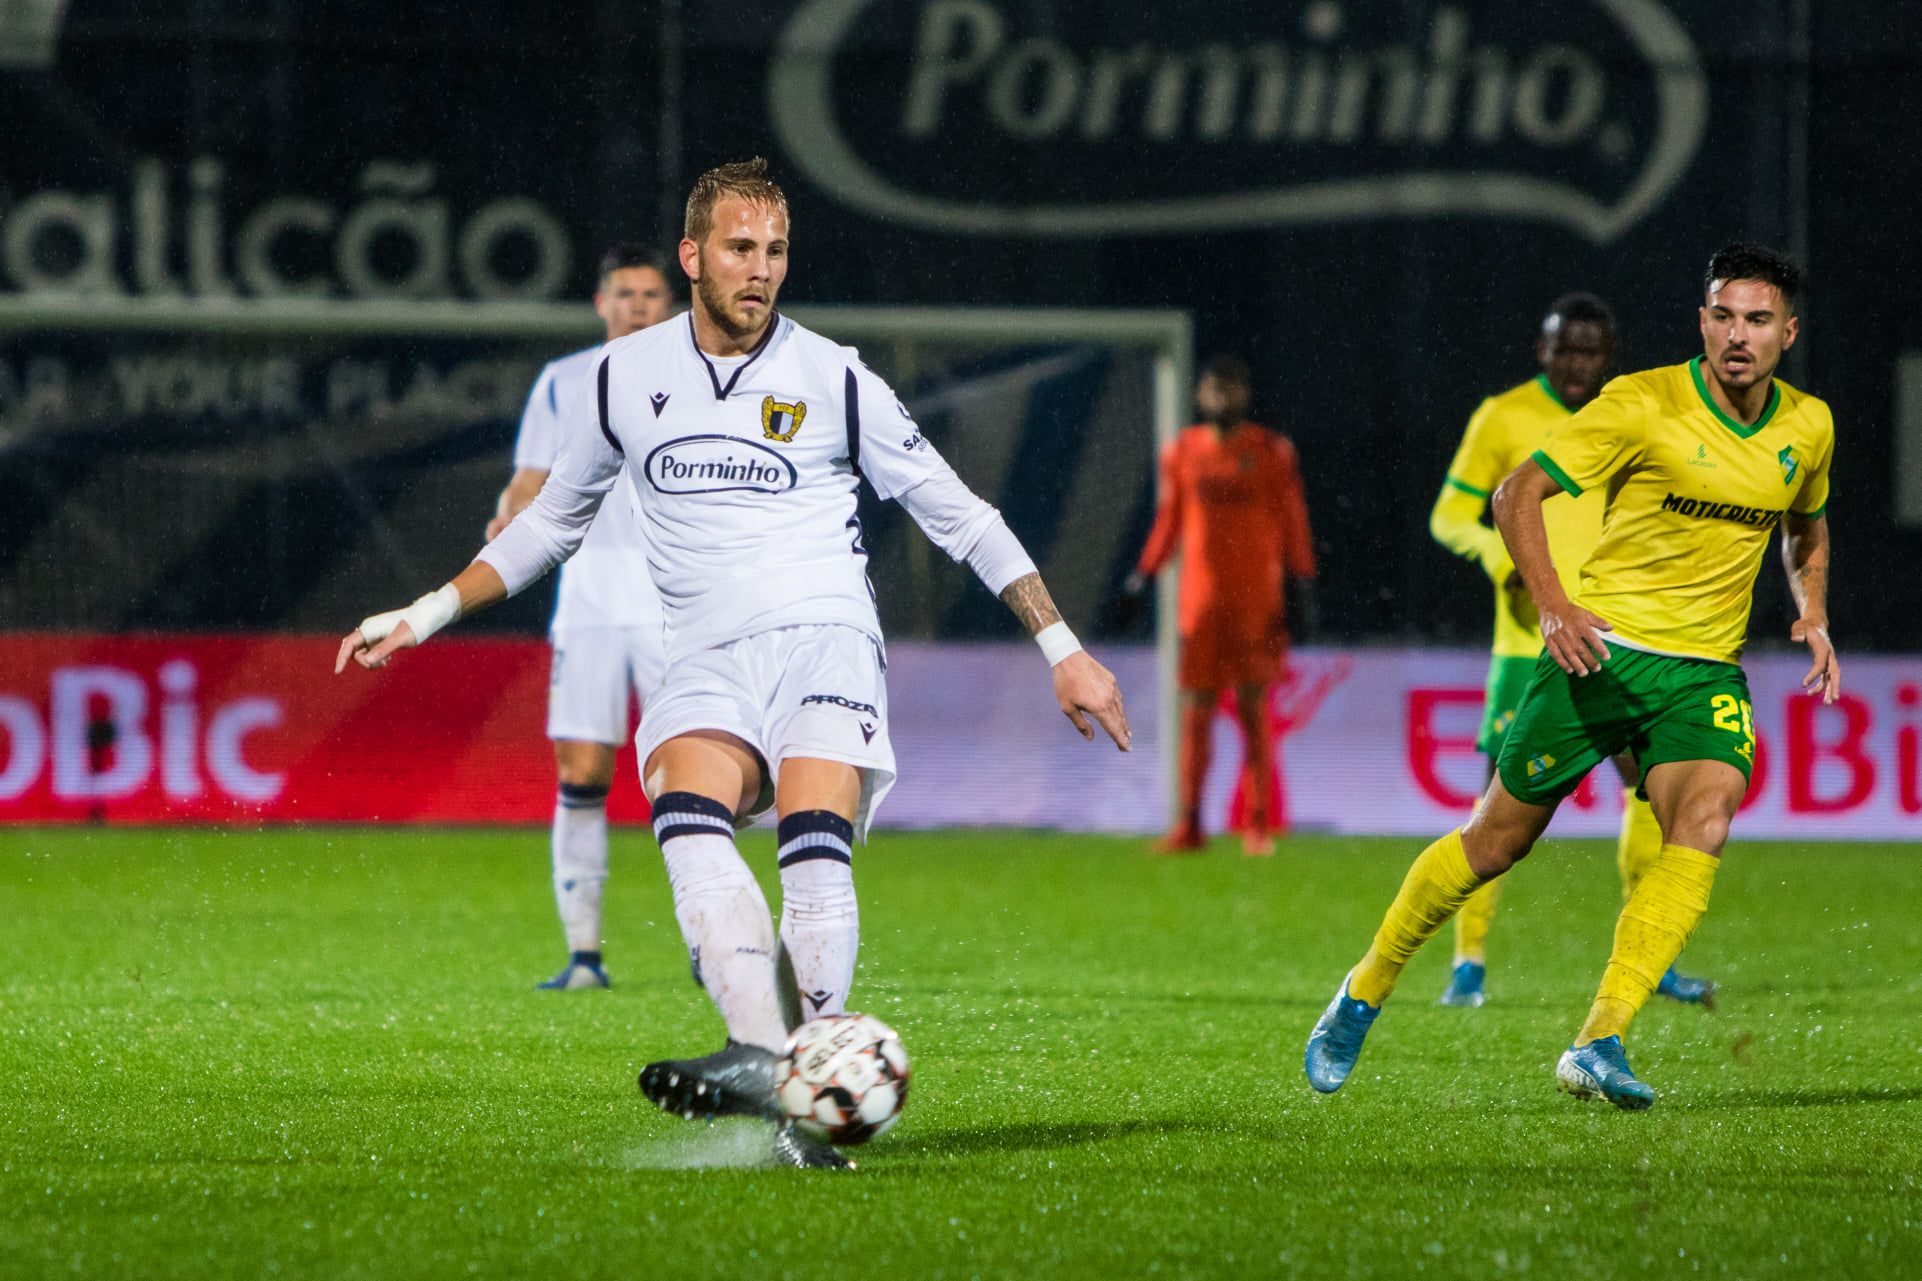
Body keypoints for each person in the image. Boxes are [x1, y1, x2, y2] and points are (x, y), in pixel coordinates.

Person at [336, 158, 1130, 1166]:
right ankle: (765, 1055)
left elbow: (959, 515)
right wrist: (427, 608)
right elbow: (549, 526)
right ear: (692, 255)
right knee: (687, 814)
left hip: (823, 635)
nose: (759, 271)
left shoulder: (834, 377)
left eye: (776, 251)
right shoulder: (623, 379)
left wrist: (1061, 647)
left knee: (811, 837)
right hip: (701, 656)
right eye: (740, 249)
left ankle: (804, 1092)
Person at [1306, 244, 1837, 1109]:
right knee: (1494, 844)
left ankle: (1600, 1038)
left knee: (1704, 818)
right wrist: (1553, 604)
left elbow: (1806, 526)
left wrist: (1812, 611)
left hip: (1704, 671)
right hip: (1602, 652)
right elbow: (1516, 493)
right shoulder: (1641, 401)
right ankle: (1364, 986)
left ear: (1788, 331)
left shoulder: (1808, 425)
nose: (1739, 335)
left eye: (1758, 319)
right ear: (1703, 320)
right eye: (1724, 316)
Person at [1428, 295, 1714, 1011]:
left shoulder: (1633, 411)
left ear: (1609, 354)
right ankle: (1469, 961)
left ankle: (1651, 951)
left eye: (1591, 350)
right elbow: (1448, 514)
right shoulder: (1503, 415)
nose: (1578, 362)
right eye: (1566, 349)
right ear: (1542, 350)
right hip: (1528, 639)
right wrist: (1500, 557)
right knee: (1496, 805)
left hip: (1624, 635)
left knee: (1651, 790)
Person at [486, 245, 675, 992]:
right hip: (591, 599)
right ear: (601, 303)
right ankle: (586, 955)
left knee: (685, 778)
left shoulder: (697, 375)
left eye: (651, 294)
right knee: (583, 771)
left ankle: (709, 938)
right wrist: (506, 518)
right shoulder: (564, 382)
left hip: (673, 602)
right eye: (624, 292)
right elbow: (528, 481)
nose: (637, 305)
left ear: (670, 303)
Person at [1123, 355, 1315, 856]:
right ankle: (1189, 824)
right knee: (1197, 715)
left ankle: (1256, 826)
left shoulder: (1271, 452)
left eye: (1230, 389)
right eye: (1214, 389)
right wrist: (1143, 574)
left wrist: (1302, 581)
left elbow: (1292, 519)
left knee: (1255, 713)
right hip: (1200, 608)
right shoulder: (1183, 451)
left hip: (1257, 606)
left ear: (1244, 395)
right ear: (1199, 396)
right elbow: (1170, 520)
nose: (1222, 398)